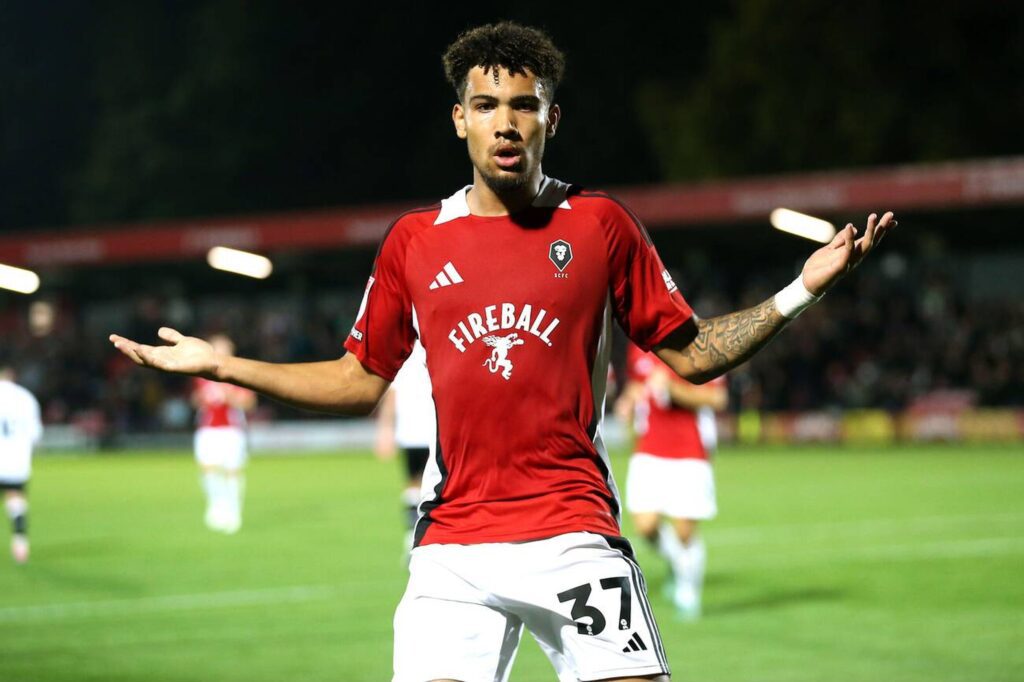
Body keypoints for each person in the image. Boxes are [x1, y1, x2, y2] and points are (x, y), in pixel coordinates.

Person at [109, 21, 896, 682]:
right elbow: (358, 381)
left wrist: (802, 288)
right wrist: (221, 365)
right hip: (452, 549)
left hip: (574, 533)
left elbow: (691, 353)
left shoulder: (600, 226)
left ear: (554, 118)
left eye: (525, 105)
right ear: (460, 120)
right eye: (486, 106)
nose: (506, 123)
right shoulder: (414, 243)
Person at [616, 342, 728, 620]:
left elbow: (717, 399)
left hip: (689, 451)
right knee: (645, 525)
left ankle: (688, 591)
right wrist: (628, 400)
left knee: (684, 532)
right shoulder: (639, 346)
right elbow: (638, 384)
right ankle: (680, 563)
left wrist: (673, 389)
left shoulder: (703, 347)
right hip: (649, 448)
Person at [374, 339, 436, 559]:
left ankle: (412, 536)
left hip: (411, 432)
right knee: (435, 483)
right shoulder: (438, 349)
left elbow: (390, 395)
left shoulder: (403, 355)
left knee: (413, 483)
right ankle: (425, 537)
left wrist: (385, 430)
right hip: (433, 430)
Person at [192, 335, 256, 534]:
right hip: (208, 430)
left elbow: (249, 402)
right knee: (208, 470)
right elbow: (195, 401)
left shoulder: (238, 374)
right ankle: (216, 506)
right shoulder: (202, 375)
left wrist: (231, 397)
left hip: (231, 431)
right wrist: (201, 398)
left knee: (232, 472)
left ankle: (234, 512)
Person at [0, 362, 43, 564]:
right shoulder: (25, 397)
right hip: (16, 461)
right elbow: (35, 434)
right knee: (15, 498)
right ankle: (20, 543)